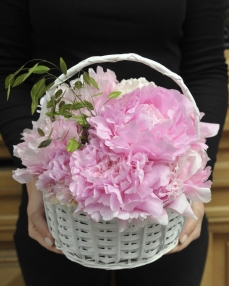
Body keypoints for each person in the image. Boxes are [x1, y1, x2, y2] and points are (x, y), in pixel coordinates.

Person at [0, 0, 228, 285]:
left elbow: (206, 66)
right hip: (56, 192)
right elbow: (8, 68)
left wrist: (194, 174)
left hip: (168, 192)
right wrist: (34, 177)